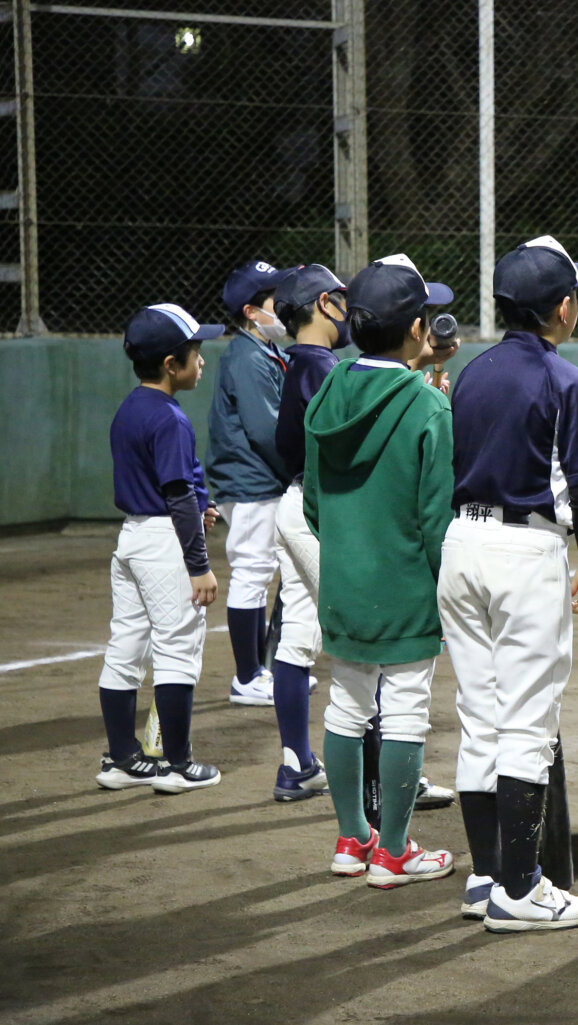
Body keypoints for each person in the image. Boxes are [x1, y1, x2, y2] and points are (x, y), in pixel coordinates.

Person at [441, 235, 578, 932]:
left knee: (480, 711)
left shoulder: (472, 373)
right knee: (527, 716)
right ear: (562, 308)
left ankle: (487, 874)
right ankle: (522, 889)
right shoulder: (566, 380)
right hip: (525, 550)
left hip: (463, 542)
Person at [304, 253, 456, 889]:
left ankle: (351, 839)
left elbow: (313, 504)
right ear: (419, 328)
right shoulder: (427, 408)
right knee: (404, 715)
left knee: (345, 708)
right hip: (406, 588)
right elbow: (435, 522)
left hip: (343, 581)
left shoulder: (328, 390)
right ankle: (392, 850)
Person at [96, 304, 227, 794]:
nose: (202, 362)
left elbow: (168, 487)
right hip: (164, 542)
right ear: (171, 365)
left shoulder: (131, 406)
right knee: (177, 648)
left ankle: (122, 757)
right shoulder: (170, 418)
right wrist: (200, 565)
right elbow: (175, 493)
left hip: (132, 537)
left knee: (125, 644)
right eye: (195, 354)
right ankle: (177, 765)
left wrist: (198, 506)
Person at [266, 263, 349, 802]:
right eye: (340, 298)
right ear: (323, 304)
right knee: (364, 633)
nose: (348, 308)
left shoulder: (300, 363)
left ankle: (296, 762)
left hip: (292, 503)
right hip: (318, 510)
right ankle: (381, 779)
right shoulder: (321, 366)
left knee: (298, 634)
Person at [206, 260, 295, 707]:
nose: (283, 306)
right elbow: (265, 430)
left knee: (263, 571)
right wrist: (297, 469)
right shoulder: (247, 355)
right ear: (251, 312)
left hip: (259, 480)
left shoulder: (265, 351)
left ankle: (263, 669)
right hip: (251, 481)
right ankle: (247, 676)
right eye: (274, 300)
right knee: (252, 572)